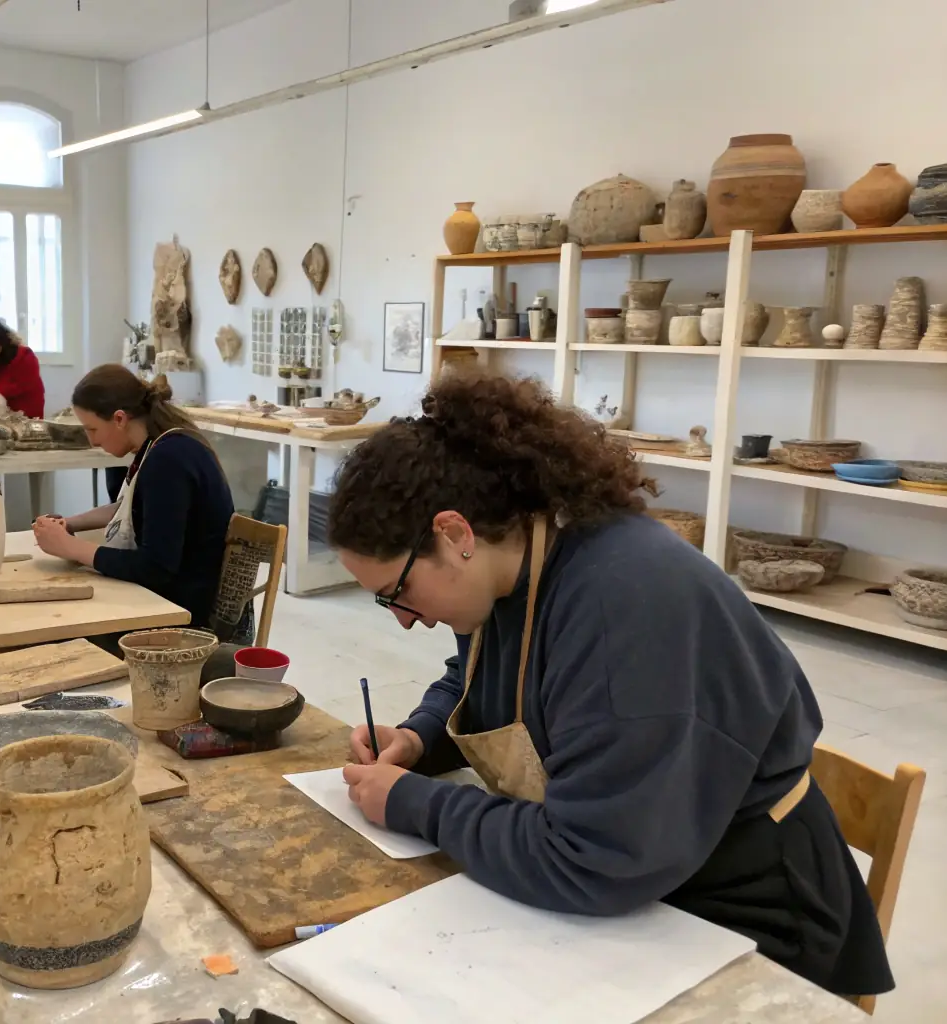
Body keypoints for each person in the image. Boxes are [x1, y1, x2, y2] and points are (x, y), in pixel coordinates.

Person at [331, 370, 893, 1001]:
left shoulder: (625, 601)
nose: (404, 620)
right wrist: (419, 737)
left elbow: (588, 860)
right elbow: (477, 670)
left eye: (398, 593)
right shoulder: (512, 563)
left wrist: (414, 804)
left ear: (454, 534)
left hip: (747, 922)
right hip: (645, 871)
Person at [31, 365, 250, 642]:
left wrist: (72, 548)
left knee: (54, 631)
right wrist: (69, 524)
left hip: (183, 616)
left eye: (92, 429)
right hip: (169, 597)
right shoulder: (158, 446)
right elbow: (132, 506)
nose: (92, 441)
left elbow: (155, 569)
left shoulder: (169, 459)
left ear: (119, 418)